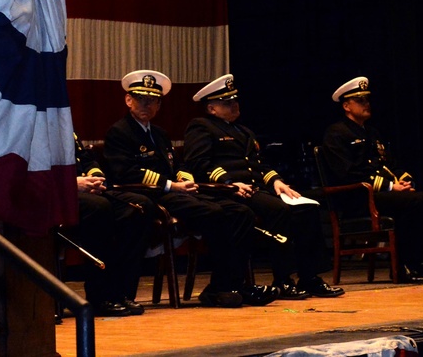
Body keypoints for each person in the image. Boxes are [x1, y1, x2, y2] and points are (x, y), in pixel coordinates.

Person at [103, 70, 278, 308]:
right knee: (214, 213)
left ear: (159, 104)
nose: (146, 104)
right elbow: (123, 172)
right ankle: (222, 287)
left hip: (176, 192)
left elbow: (177, 165)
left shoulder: (159, 133)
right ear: (128, 100)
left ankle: (230, 284)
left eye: (152, 100)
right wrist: (173, 185)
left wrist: (185, 179)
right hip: (149, 195)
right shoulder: (119, 131)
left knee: (240, 212)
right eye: (141, 98)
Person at [182, 74, 344, 299]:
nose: (234, 105)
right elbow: (198, 164)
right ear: (211, 108)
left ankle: (310, 278)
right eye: (227, 102)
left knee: (307, 207)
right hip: (228, 192)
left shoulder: (244, 131)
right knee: (279, 210)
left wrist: (277, 181)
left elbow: (259, 165)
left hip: (256, 189)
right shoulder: (201, 127)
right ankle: (283, 279)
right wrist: (228, 183)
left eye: (234, 100)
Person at [320, 76, 423, 282]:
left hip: (386, 195)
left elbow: (392, 165)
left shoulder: (373, 133)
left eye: (367, 100)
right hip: (358, 200)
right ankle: (404, 266)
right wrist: (390, 187)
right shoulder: (336, 133)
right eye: (360, 101)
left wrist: (405, 183)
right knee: (411, 203)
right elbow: (346, 174)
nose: (366, 104)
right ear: (346, 106)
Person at [68, 133, 156, 316]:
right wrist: (72, 184)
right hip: (58, 193)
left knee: (139, 207)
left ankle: (123, 293)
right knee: (99, 208)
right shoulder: (34, 121)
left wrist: (96, 179)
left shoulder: (65, 125)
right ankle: (99, 296)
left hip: (86, 189)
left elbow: (86, 159)